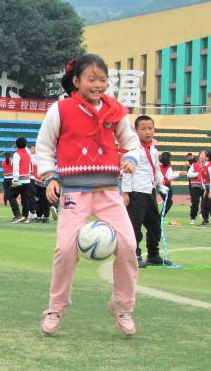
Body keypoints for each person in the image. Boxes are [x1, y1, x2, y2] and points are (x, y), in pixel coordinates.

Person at [36, 54, 141, 337]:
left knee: (129, 246)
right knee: (65, 250)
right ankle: (56, 307)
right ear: (76, 81)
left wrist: (131, 158)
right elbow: (44, 147)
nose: (98, 84)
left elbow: (131, 143)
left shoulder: (116, 111)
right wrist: (50, 178)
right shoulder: (61, 109)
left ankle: (122, 306)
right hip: (74, 192)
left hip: (108, 191)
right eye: (91, 79)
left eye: (103, 79)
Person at [122, 115, 171, 267]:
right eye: (143, 129)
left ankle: (153, 254)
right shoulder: (133, 149)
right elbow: (126, 171)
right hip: (136, 192)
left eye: (150, 128)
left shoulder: (154, 150)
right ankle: (134, 255)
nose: (147, 132)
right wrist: (125, 192)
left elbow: (155, 169)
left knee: (154, 224)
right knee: (134, 226)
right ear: (135, 131)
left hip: (149, 191)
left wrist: (159, 182)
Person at [12, 137, 33, 223]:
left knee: (11, 195)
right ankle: (25, 216)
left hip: (20, 180)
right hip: (27, 180)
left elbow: (16, 167)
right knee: (25, 199)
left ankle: (18, 215)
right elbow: (26, 148)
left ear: (16, 145)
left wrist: (15, 180)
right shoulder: (28, 153)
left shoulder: (16, 154)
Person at [186, 152, 206, 225]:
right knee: (195, 202)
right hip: (195, 186)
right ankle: (193, 218)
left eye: (203, 156)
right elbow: (189, 174)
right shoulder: (194, 165)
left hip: (205, 186)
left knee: (205, 203)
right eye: (200, 156)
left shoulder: (209, 165)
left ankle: (204, 218)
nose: (201, 157)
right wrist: (198, 174)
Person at [158, 151, 177, 221]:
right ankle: (160, 217)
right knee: (169, 202)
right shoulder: (167, 165)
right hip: (165, 185)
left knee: (167, 202)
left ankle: (162, 216)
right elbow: (170, 176)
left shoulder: (158, 164)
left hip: (164, 185)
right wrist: (179, 173)